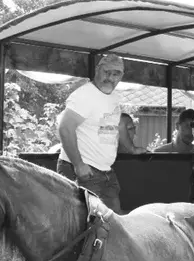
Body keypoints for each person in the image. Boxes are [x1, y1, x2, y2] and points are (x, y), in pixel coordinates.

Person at [57, 54, 141, 213]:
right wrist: (78, 165)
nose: (110, 78)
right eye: (106, 72)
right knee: (83, 228)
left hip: (106, 172)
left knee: (114, 224)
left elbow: (118, 125)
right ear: (97, 70)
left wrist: (132, 149)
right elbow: (65, 128)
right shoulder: (85, 95)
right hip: (82, 171)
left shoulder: (114, 97)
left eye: (116, 74)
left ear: (121, 77)